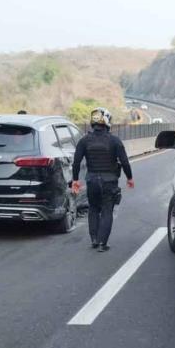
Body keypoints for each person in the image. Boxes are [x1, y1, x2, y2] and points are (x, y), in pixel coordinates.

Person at [72, 108, 134, 252]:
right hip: (109, 181)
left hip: (92, 180)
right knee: (107, 211)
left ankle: (94, 239)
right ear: (107, 122)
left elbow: (76, 162)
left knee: (93, 209)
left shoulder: (84, 140)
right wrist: (129, 178)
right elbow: (124, 162)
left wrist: (75, 180)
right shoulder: (115, 141)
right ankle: (102, 243)